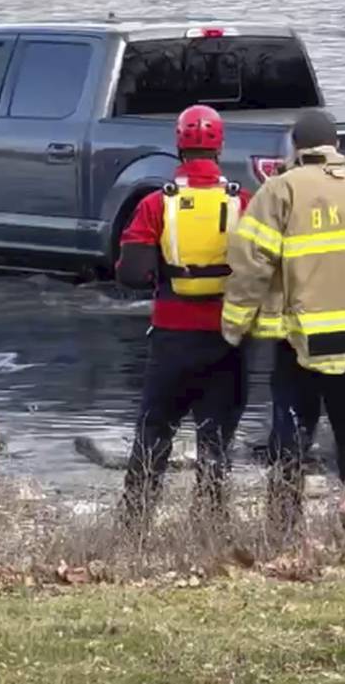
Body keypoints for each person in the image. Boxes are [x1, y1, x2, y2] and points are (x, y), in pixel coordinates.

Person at [222, 108, 345, 535]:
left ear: (296, 147)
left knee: (291, 438)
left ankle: (284, 530)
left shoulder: (280, 191)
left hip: (303, 342)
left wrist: (234, 326)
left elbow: (251, 265)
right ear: (337, 147)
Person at [116, 104, 252, 527]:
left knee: (154, 433)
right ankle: (210, 525)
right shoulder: (241, 200)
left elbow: (133, 274)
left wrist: (161, 269)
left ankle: (134, 526)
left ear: (179, 145)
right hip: (226, 339)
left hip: (172, 339)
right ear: (220, 146)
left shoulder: (158, 204)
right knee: (216, 441)